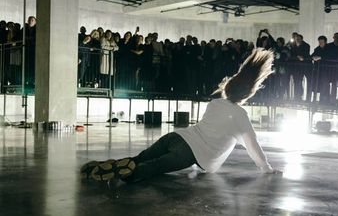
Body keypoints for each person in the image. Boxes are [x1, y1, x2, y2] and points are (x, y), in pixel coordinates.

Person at [81, 49, 282, 182]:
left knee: (139, 159)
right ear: (248, 93)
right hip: (189, 153)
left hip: (177, 136)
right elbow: (253, 146)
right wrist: (267, 168)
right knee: (148, 169)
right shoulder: (240, 116)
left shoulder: (215, 103)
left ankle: (98, 168)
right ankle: (114, 177)